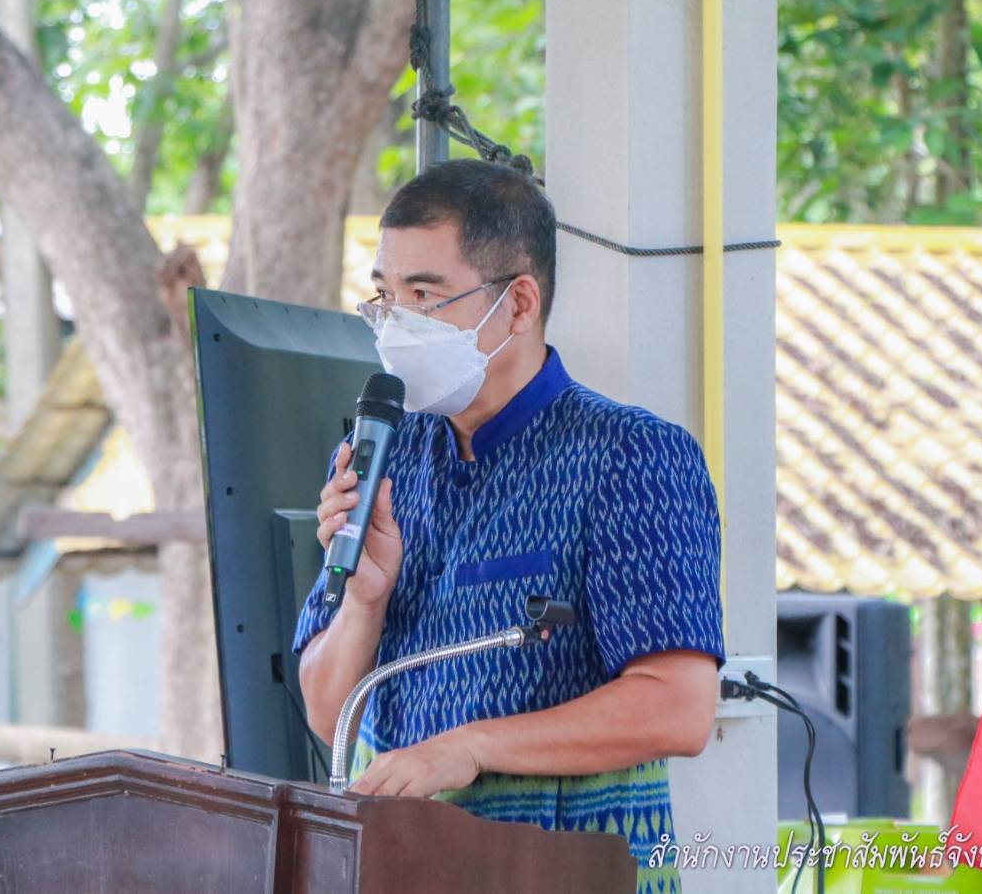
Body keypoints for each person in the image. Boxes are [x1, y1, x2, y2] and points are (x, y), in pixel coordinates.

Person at [294, 159, 724, 894]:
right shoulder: (384, 457)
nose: (395, 324)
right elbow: (332, 717)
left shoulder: (629, 455)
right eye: (384, 296)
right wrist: (364, 599)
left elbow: (678, 708)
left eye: (424, 295)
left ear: (519, 304)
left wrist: (472, 746)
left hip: (570, 875)